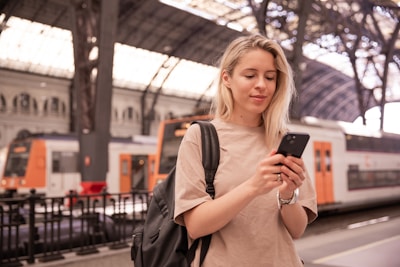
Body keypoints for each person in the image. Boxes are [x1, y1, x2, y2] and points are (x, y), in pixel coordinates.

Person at [174, 34, 317, 267]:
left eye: (270, 77)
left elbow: (297, 229)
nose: (261, 84)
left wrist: (288, 194)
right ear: (227, 78)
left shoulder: (281, 139)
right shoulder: (201, 137)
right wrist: (253, 187)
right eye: (250, 75)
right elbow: (196, 225)